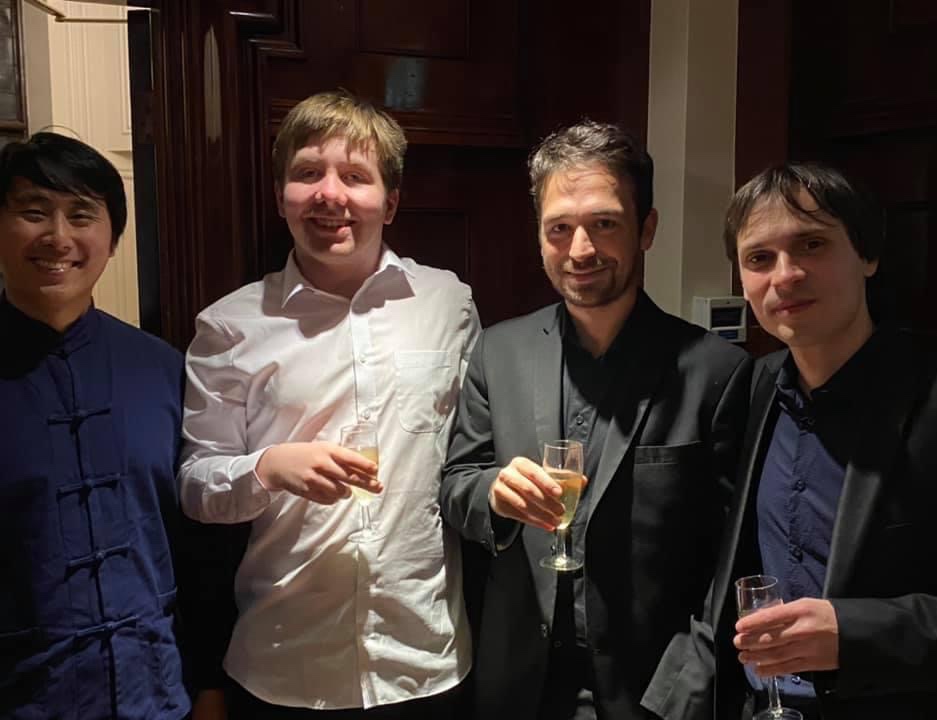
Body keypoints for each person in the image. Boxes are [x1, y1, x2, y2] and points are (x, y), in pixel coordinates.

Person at [178, 91, 479, 718]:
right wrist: (267, 468)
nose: (329, 194)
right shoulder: (229, 326)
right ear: (280, 195)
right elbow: (195, 485)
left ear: (390, 203)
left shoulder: (448, 304)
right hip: (285, 665)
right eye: (308, 172)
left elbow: (473, 455)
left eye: (356, 176)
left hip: (425, 661)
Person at [439, 120, 752, 720]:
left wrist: (687, 687)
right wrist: (492, 494)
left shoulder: (717, 371)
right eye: (559, 228)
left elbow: (735, 557)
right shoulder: (497, 351)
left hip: (652, 693)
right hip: (518, 687)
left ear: (647, 229)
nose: (580, 250)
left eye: (604, 223)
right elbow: (456, 483)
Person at [681, 162, 937, 720]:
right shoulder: (753, 387)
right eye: (759, 258)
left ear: (867, 255)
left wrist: (855, 634)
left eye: (811, 244)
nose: (785, 276)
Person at [0, 132, 191, 718]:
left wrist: (208, 683)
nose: (58, 237)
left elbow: (197, 546)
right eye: (34, 212)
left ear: (113, 239)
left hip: (155, 693)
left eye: (82, 215)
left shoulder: (162, 368)